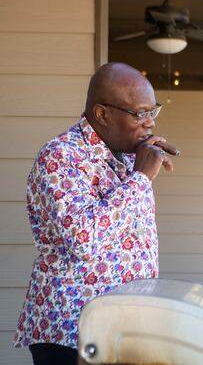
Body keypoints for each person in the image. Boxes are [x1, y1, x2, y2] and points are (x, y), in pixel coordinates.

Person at [14, 62, 174, 365]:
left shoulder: (127, 156)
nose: (150, 124)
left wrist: (138, 171)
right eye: (140, 114)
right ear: (102, 114)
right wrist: (141, 178)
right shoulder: (61, 156)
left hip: (118, 328)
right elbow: (85, 240)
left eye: (153, 112)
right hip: (73, 330)